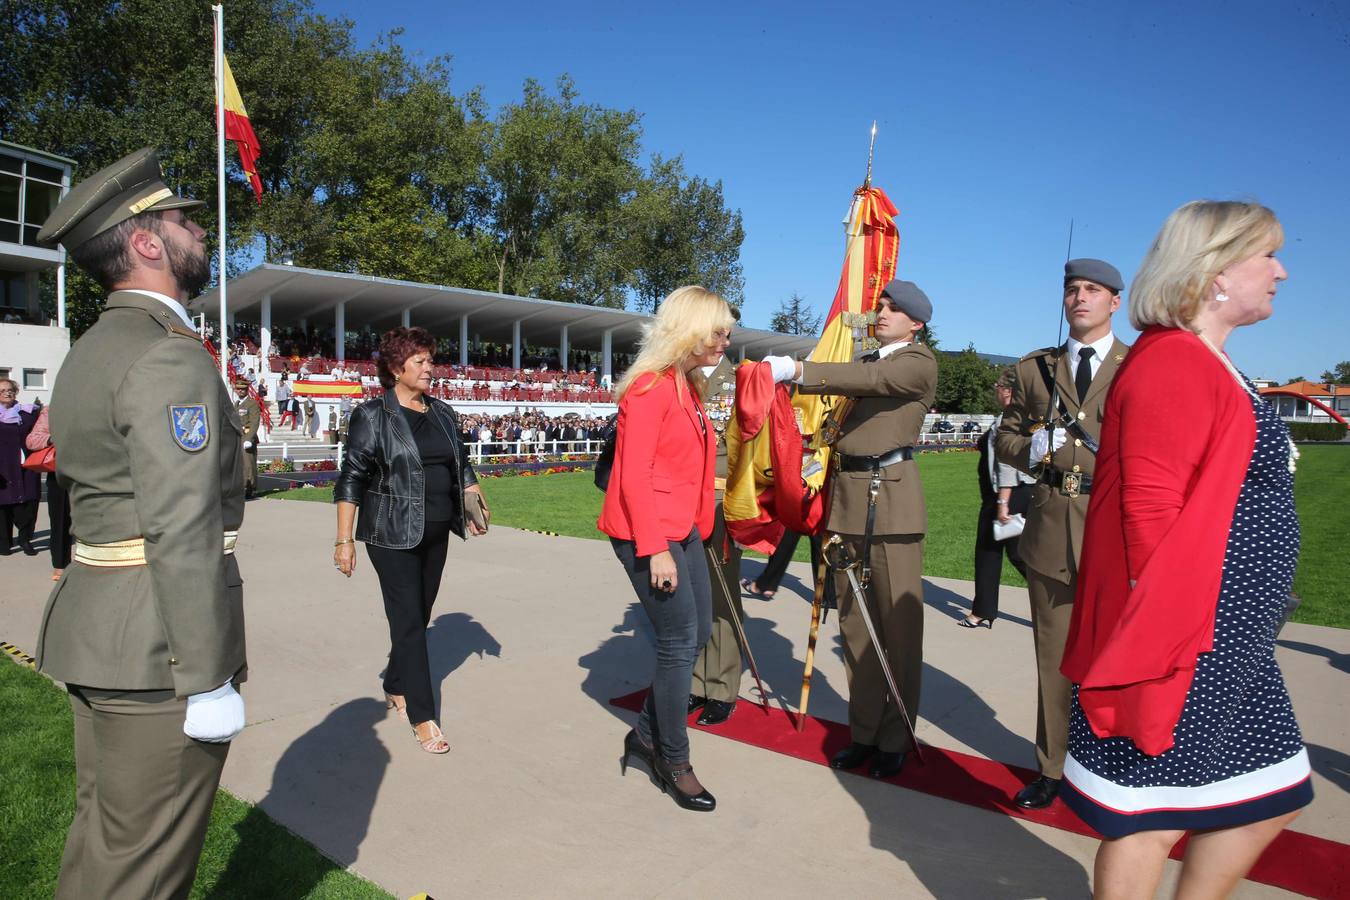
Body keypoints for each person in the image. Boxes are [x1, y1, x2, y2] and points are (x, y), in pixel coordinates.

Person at [1059, 201, 1312, 897]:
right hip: (1192, 637)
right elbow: (1148, 516)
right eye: (1268, 255)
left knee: (1273, 790)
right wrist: (1165, 647)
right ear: (1217, 271)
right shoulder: (1174, 361)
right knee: (1150, 815)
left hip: (1234, 635)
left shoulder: (1214, 362)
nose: (1282, 271)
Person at [34, 147, 247, 899]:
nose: (199, 231)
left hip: (101, 631)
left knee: (104, 850)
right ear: (147, 242)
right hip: (158, 651)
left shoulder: (92, 349)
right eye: (182, 220)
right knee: (144, 871)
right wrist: (208, 674)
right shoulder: (166, 356)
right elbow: (182, 522)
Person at [763, 279, 939, 780]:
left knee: (897, 629)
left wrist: (799, 369)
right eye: (880, 305)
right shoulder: (865, 364)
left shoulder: (918, 362)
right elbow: (856, 388)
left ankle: (896, 735)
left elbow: (878, 385)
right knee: (856, 627)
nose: (881, 312)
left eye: (893, 308)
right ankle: (864, 732)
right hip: (848, 498)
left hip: (892, 503)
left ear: (916, 322)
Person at [996, 258, 1130, 810]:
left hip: (1115, 529)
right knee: (1053, 658)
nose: (1080, 297)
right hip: (1052, 525)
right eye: (1072, 289)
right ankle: (1053, 767)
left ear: (1115, 301)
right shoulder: (1035, 370)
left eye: (1093, 290)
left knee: (1118, 659)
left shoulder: (1136, 364)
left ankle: (1115, 763)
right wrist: (1029, 448)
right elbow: (1003, 439)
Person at [600, 285, 731, 812]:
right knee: (679, 642)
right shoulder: (652, 388)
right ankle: (673, 758)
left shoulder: (688, 385)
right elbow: (633, 476)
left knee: (697, 632)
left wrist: (698, 531)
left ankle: (646, 735)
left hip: (684, 531)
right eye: (718, 330)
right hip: (647, 533)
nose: (725, 340)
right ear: (690, 330)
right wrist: (655, 549)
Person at [333, 326, 488, 755]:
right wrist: (343, 540)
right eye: (419, 361)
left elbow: (461, 463)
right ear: (394, 367)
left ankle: (394, 682)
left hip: (437, 530)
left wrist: (474, 499)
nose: (429, 368)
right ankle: (423, 715)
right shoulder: (372, 415)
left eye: (430, 359)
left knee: (418, 616)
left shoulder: (442, 413)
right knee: (407, 620)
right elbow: (352, 478)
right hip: (390, 533)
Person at [688, 352, 744, 726]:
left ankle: (721, 686)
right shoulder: (678, 375)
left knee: (721, 597)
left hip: (721, 500)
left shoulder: (741, 381)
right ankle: (694, 680)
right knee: (689, 598)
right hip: (680, 500)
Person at [961, 369, 1034, 628]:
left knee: (1007, 554)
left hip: (1006, 493)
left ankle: (983, 611)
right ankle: (983, 610)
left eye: (997, 388)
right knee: (1006, 553)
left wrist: (1003, 502)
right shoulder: (1020, 417)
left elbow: (1007, 462)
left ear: (1006, 391)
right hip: (1009, 493)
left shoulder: (1011, 419)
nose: (995, 393)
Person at [25, 403, 74, 579]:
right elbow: (32, 440)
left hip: (94, 471)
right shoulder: (53, 409)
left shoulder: (100, 404)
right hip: (60, 471)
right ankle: (60, 564)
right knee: (60, 521)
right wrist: (53, 438)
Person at [0, 378, 40, 555]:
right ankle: (3, 542)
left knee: (28, 504)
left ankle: (25, 539)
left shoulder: (27, 413)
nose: (7, 393)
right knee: (2, 506)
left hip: (25, 466)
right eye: (2, 391)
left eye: (10, 390)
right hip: (2, 467)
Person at [235, 382, 261, 498]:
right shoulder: (236, 404)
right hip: (237, 437)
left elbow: (255, 422)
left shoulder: (252, 403)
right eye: (238, 389)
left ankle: (250, 488)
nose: (240, 391)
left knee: (248, 464)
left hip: (246, 436)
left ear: (247, 390)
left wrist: (249, 438)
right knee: (239, 464)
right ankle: (242, 486)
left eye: (242, 389)